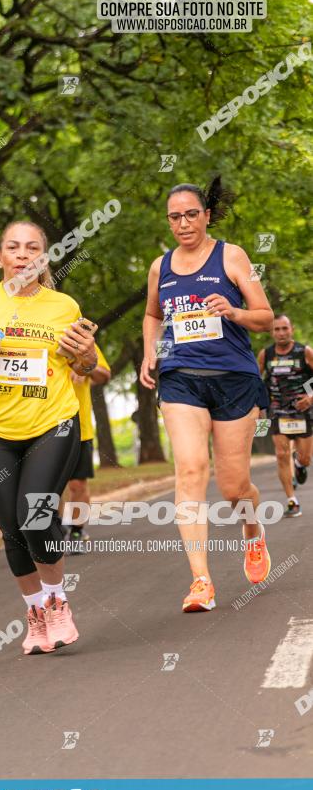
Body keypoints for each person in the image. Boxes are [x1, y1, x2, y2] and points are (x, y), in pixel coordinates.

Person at [0, 221, 100, 653]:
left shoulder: (63, 305)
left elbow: (86, 368)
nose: (23, 255)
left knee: (37, 515)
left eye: (32, 248)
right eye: (14, 247)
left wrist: (85, 355)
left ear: (43, 258)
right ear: (0, 257)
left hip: (54, 422)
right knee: (11, 529)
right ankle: (36, 611)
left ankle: (58, 601)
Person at [140, 176, 273, 612]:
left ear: (207, 215)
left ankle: (252, 530)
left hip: (234, 378)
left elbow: (266, 317)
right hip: (181, 378)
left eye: (191, 214)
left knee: (234, 488)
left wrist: (233, 310)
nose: (183, 223)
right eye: (175, 217)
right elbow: (152, 314)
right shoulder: (160, 267)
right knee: (191, 470)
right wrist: (149, 353)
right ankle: (201, 581)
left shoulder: (232, 256)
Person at [257, 315, 313, 518]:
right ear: (272, 332)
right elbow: (257, 379)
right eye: (277, 329)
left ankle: (300, 466)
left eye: (284, 328)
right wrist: (258, 406)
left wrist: (310, 397)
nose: (281, 333)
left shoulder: (304, 352)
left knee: (305, 458)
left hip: (302, 411)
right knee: (281, 455)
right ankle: (292, 500)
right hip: (278, 410)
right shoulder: (266, 354)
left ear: (292, 329)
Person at [64, 345, 111, 552]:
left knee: (77, 484)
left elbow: (104, 374)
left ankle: (76, 530)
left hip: (78, 426)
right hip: (40, 425)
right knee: (49, 486)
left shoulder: (79, 340)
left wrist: (86, 367)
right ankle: (53, 530)